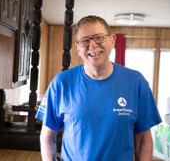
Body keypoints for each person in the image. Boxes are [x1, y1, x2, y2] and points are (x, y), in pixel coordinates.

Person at [35, 15, 162, 161]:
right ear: (77, 48)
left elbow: (143, 139)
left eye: (99, 37)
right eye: (85, 41)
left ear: (112, 40)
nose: (93, 45)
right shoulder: (61, 83)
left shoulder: (136, 82)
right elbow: (47, 137)